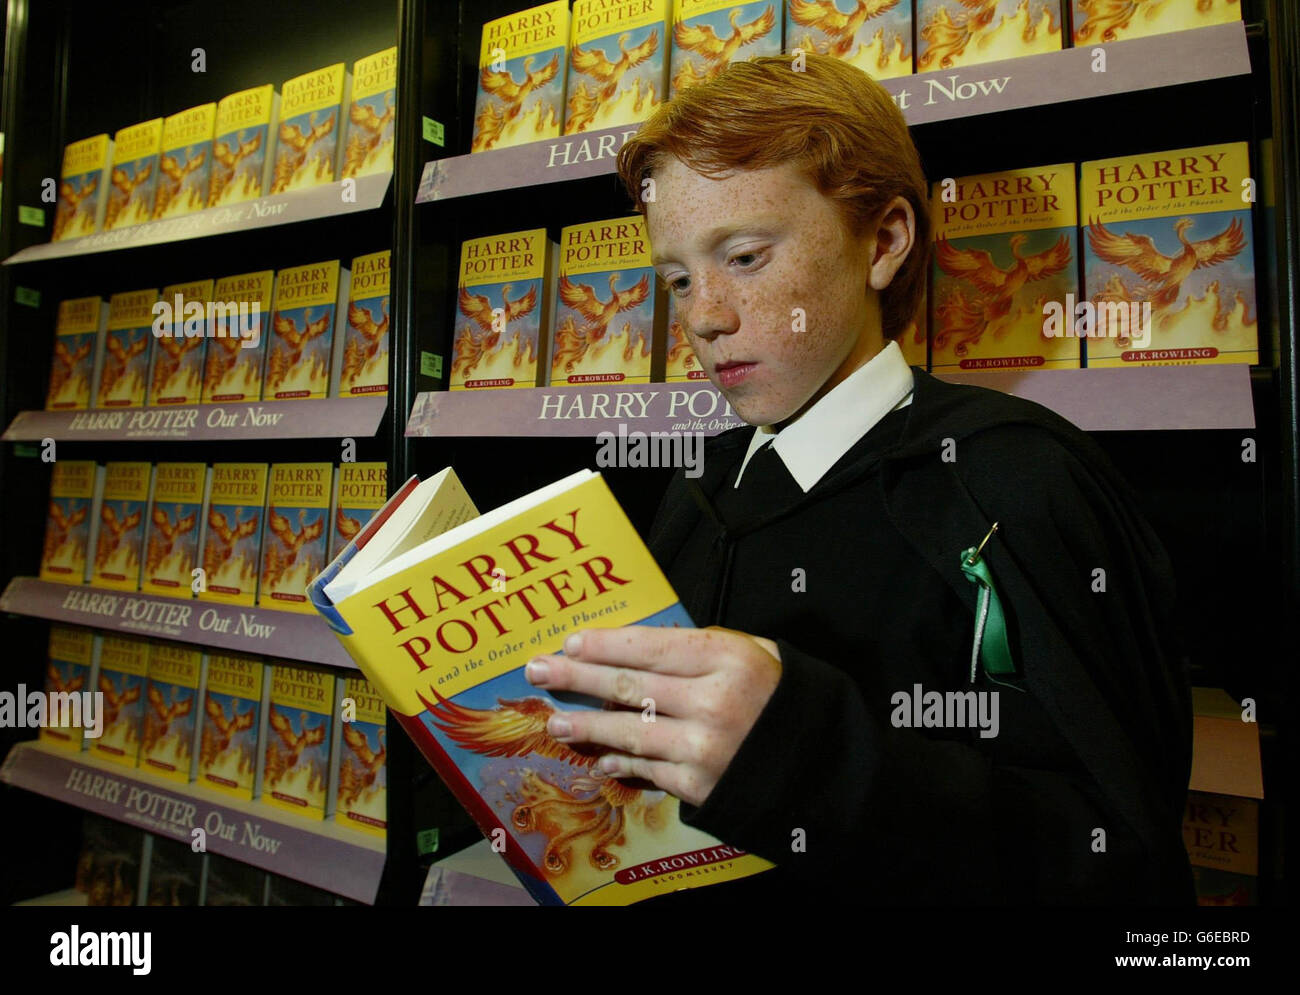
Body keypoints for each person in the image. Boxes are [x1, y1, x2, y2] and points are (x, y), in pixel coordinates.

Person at [522, 53, 1195, 904]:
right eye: (678, 278)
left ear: (882, 242)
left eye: (747, 256)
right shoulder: (699, 486)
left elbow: (1126, 869)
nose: (703, 315)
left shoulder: (1019, 478)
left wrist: (808, 758)